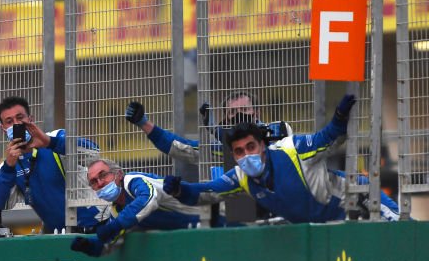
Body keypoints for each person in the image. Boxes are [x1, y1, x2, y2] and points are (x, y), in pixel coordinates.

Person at [162, 94, 400, 223]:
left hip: (353, 200)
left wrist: (338, 119)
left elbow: (327, 139)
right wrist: (180, 190)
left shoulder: (288, 142)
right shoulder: (237, 173)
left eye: (251, 146)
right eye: (239, 151)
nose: (247, 155)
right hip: (304, 224)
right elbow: (204, 192)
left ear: (263, 143)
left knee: (401, 231)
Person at [0, 96, 98, 234]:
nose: (16, 124)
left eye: (20, 117)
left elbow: (93, 151)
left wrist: (49, 142)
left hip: (95, 225)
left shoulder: (55, 136)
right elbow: (2, 204)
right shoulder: (5, 168)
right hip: (60, 235)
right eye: (9, 121)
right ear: (3, 128)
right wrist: (9, 166)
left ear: (30, 119)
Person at [70, 159, 207, 257]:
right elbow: (110, 243)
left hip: (208, 220)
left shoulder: (133, 180)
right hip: (188, 242)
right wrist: (89, 246)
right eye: (94, 182)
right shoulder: (116, 211)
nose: (100, 183)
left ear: (118, 174)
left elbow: (147, 199)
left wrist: (114, 226)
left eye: (103, 175)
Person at [125, 91, 292, 164]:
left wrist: (214, 129)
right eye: (233, 112)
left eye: (244, 110)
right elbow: (178, 146)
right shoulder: (217, 149)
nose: (239, 115)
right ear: (226, 119)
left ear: (257, 112)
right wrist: (143, 123)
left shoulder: (278, 131)